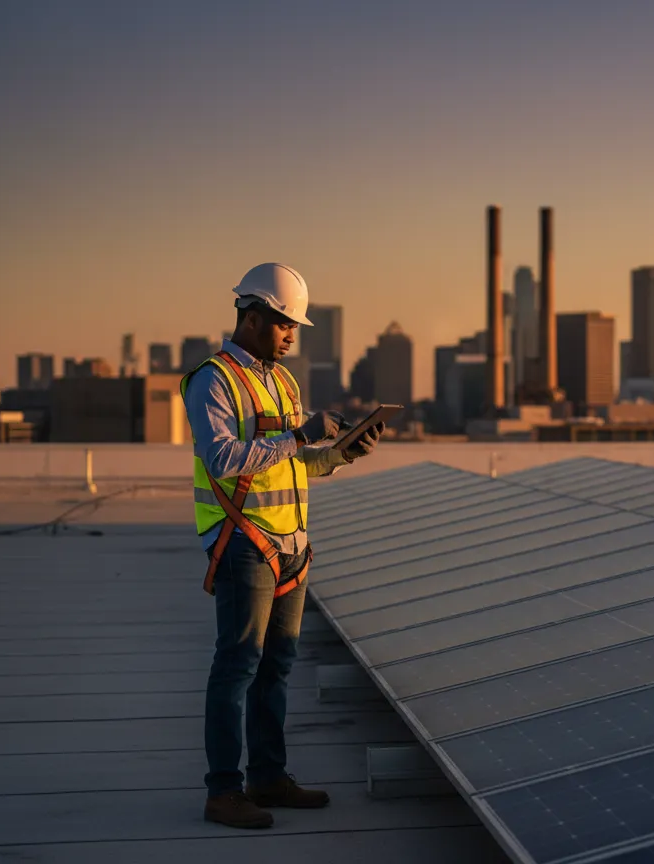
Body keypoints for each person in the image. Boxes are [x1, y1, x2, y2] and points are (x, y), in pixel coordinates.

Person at [181, 262, 381, 829]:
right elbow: (223, 459)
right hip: (244, 542)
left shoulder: (283, 380)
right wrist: (297, 435)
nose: (291, 333)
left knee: (275, 668)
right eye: (282, 321)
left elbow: (297, 463)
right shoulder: (213, 380)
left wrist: (340, 453)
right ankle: (224, 791)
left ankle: (267, 777)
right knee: (238, 665)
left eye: (295, 324)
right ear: (250, 316)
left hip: (291, 545)